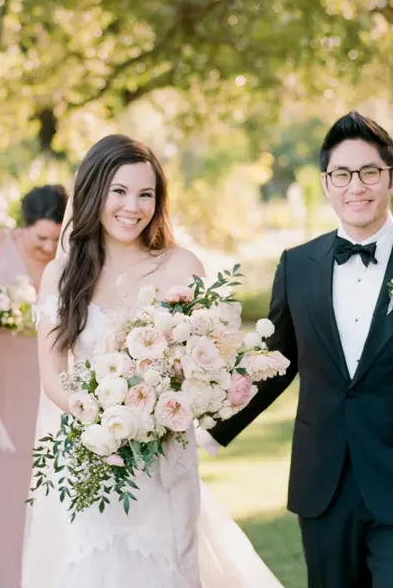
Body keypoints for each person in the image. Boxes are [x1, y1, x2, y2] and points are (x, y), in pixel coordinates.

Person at [208, 111, 393, 588]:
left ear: (392, 178)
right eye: (341, 174)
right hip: (324, 485)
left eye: (369, 173)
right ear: (326, 182)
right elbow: (273, 364)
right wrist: (207, 430)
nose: (355, 186)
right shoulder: (297, 265)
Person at [26, 133, 283, 587]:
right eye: (119, 192)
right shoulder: (61, 275)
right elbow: (52, 378)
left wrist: (160, 408)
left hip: (165, 459)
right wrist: (108, 419)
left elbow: (208, 364)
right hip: (95, 459)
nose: (133, 206)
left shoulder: (181, 266)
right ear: (93, 192)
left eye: (146, 194)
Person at [0, 184, 66, 588]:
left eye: (56, 239)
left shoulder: (69, 258)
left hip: (45, 380)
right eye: (41, 238)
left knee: (34, 476)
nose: (48, 247)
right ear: (24, 228)